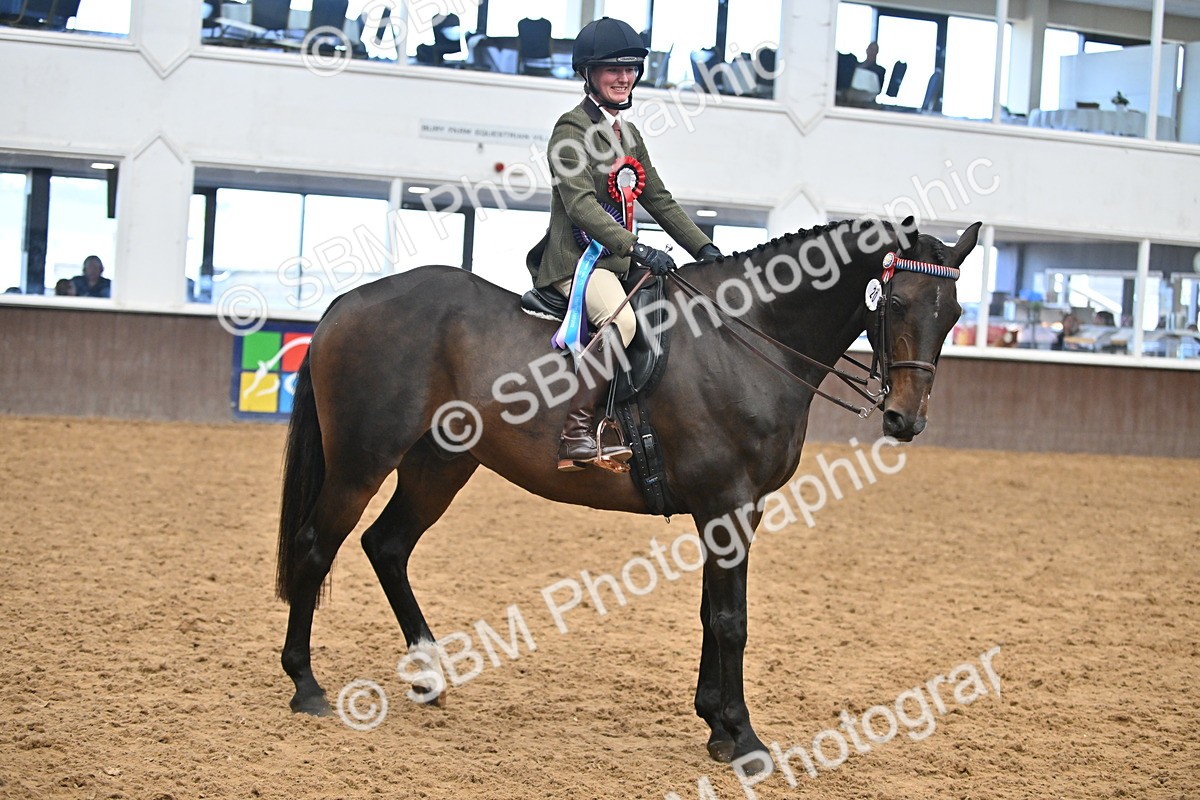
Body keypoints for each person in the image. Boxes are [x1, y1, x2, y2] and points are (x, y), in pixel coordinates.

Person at [528, 16, 722, 472]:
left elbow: (659, 199)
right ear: (589, 74)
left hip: (615, 264)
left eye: (631, 68)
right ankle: (575, 433)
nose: (624, 77)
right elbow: (580, 206)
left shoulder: (628, 135)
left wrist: (705, 250)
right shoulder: (570, 130)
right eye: (613, 69)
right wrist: (636, 248)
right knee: (623, 323)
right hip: (575, 264)